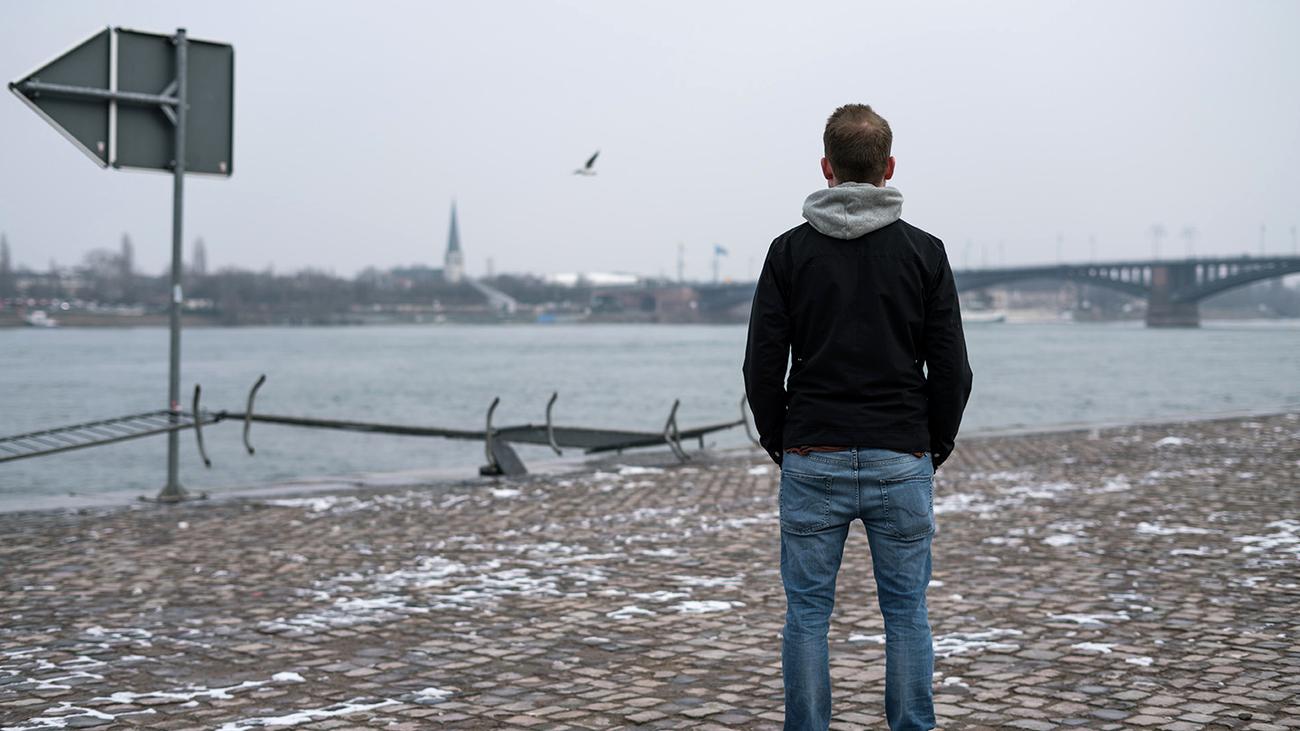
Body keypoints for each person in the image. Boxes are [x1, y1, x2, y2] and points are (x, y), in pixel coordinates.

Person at [743, 103, 973, 731]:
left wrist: (785, 442)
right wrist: (930, 446)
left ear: (827, 167)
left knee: (807, 616)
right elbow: (952, 369)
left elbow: (762, 366)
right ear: (888, 168)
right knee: (906, 615)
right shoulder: (924, 253)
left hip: (812, 453)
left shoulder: (789, 252)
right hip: (901, 454)